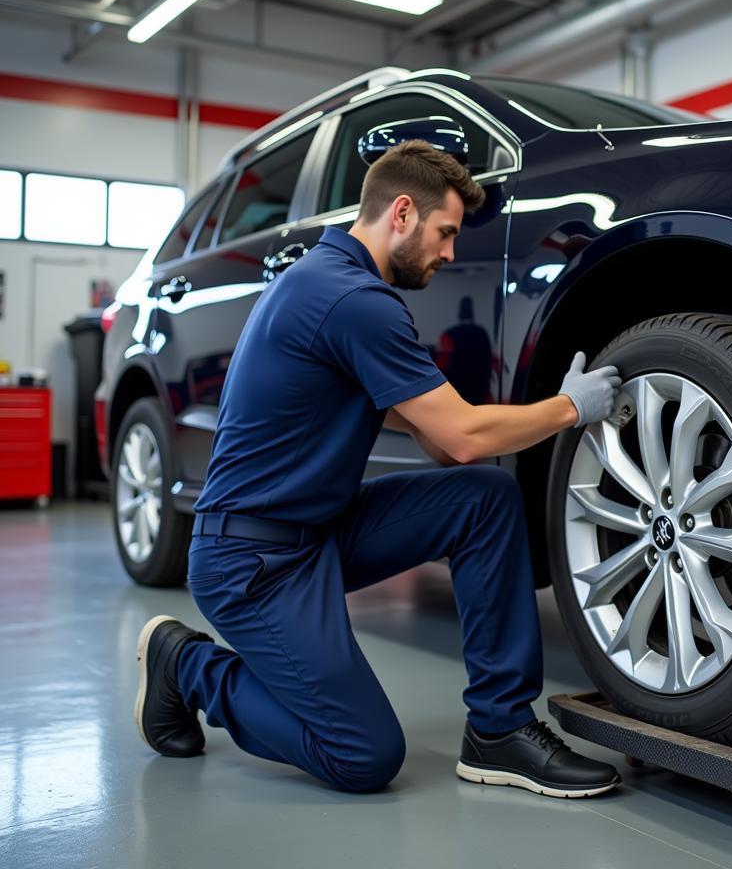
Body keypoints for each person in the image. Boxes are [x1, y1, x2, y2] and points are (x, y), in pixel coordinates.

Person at [135, 139, 623, 798]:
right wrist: (570, 407)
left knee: (483, 499)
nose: (449, 254)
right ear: (401, 213)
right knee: (362, 755)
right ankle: (188, 667)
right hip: (250, 563)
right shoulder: (350, 300)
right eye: (445, 233)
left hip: (317, 532)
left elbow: (448, 446)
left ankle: (499, 730)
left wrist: (491, 421)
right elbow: (466, 435)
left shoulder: (334, 285)